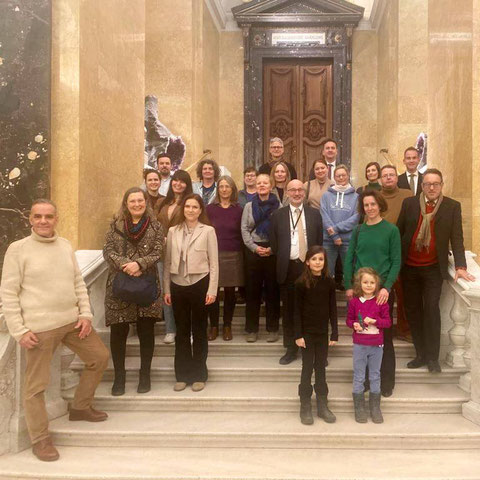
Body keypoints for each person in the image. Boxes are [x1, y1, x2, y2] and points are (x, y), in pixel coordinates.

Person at [1, 199, 109, 462]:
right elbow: (9, 293)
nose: (43, 221)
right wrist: (18, 330)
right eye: (38, 216)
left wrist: (85, 313)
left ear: (56, 219)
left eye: (48, 216)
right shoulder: (18, 250)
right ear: (30, 219)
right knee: (35, 387)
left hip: (71, 322)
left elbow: (77, 282)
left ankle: (81, 407)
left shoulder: (64, 245)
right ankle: (40, 439)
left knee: (100, 357)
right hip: (39, 329)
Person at [397, 168, 475, 373]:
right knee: (413, 311)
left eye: (436, 184)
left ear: (441, 185)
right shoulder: (409, 204)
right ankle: (420, 354)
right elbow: (399, 233)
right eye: (428, 184)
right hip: (409, 268)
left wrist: (460, 266)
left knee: (431, 309)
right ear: (422, 186)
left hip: (433, 268)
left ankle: (433, 358)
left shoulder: (452, 207)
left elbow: (457, 238)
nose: (432, 187)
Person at [104, 187, 164, 397]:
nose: (137, 204)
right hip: (120, 285)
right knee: (118, 332)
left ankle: (144, 375)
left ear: (146, 203)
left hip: (146, 284)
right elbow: (108, 251)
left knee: (146, 332)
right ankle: (119, 377)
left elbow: (158, 251)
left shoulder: (156, 226)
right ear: (126, 204)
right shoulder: (115, 225)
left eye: (140, 201)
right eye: (132, 201)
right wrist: (126, 265)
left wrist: (139, 264)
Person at [344, 190, 401, 397]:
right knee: (364, 337)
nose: (370, 208)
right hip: (361, 292)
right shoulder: (358, 230)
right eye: (366, 205)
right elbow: (350, 258)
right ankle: (367, 379)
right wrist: (349, 285)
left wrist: (387, 287)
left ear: (380, 205)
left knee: (382, 336)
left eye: (373, 204)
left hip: (382, 292)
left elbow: (396, 261)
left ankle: (386, 381)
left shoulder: (391, 230)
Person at [164, 194, 219, 392]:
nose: (190, 210)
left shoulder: (208, 231)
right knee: (182, 331)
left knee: (199, 330)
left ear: (200, 210)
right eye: (187, 206)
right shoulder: (172, 231)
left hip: (200, 283)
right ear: (183, 209)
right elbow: (168, 263)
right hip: (178, 284)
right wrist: (167, 289)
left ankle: (199, 374)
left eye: (195, 207)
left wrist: (212, 289)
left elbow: (214, 263)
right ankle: (182, 374)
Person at [270, 179, 323, 365]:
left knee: (313, 309)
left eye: (300, 190)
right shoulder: (277, 215)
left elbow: (319, 243)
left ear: (304, 192)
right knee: (290, 311)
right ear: (287, 192)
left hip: (310, 269)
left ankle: (314, 349)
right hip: (288, 268)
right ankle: (291, 349)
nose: (297, 193)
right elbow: (274, 244)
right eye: (293, 190)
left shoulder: (315, 215)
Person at [294, 246, 337, 425]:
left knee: (321, 367)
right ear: (307, 262)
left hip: (322, 333)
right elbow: (295, 312)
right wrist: (298, 334)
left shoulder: (329, 281)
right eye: (314, 259)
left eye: (321, 259)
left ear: (325, 262)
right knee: (307, 368)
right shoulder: (300, 283)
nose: (318, 262)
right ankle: (305, 405)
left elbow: (332, 308)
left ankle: (322, 404)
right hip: (306, 334)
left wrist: (334, 332)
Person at [346, 267, 391, 424]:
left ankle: (375, 408)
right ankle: (359, 408)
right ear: (360, 283)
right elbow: (349, 320)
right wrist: (354, 325)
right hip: (360, 345)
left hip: (376, 345)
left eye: (372, 282)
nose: (369, 285)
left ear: (376, 284)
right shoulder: (354, 302)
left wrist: (374, 321)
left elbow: (387, 322)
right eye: (365, 282)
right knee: (359, 376)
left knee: (375, 375)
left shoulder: (381, 302)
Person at [241, 174, 281, 342]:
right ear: (255, 186)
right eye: (259, 183)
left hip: (273, 251)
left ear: (271, 186)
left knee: (273, 291)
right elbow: (244, 229)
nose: (262, 185)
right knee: (252, 292)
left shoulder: (279, 206)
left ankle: (272, 329)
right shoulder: (249, 206)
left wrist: (272, 249)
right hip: (254, 251)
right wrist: (255, 248)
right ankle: (251, 329)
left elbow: (283, 229)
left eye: (265, 183)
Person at [157, 170, 194, 344]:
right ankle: (170, 329)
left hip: (183, 253)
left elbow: (193, 227)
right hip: (163, 254)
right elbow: (156, 226)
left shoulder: (190, 203)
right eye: (175, 181)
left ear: (187, 184)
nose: (178, 184)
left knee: (185, 292)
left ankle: (188, 328)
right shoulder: (163, 202)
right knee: (167, 292)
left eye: (182, 181)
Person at [206, 176, 244, 341]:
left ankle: (227, 325)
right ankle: (213, 325)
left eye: (227, 186)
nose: (224, 189)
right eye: (221, 186)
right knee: (212, 291)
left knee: (230, 292)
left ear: (232, 189)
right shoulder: (209, 209)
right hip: (213, 254)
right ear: (218, 189)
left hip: (233, 253)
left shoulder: (239, 209)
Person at [379, 165, 413, 341]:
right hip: (380, 253)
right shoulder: (376, 197)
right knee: (380, 293)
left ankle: (403, 329)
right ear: (380, 179)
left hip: (401, 251)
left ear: (396, 177)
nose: (389, 178)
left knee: (402, 292)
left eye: (391, 174)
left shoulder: (407, 195)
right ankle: (381, 326)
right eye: (385, 176)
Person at [320, 164, 359, 280]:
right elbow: (323, 215)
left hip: (348, 240)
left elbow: (356, 218)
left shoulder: (356, 197)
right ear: (334, 178)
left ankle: (351, 298)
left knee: (349, 273)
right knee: (326, 274)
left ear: (348, 176)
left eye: (343, 175)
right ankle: (327, 298)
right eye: (338, 176)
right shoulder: (326, 195)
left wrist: (336, 229)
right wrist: (334, 235)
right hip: (328, 240)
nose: (341, 178)